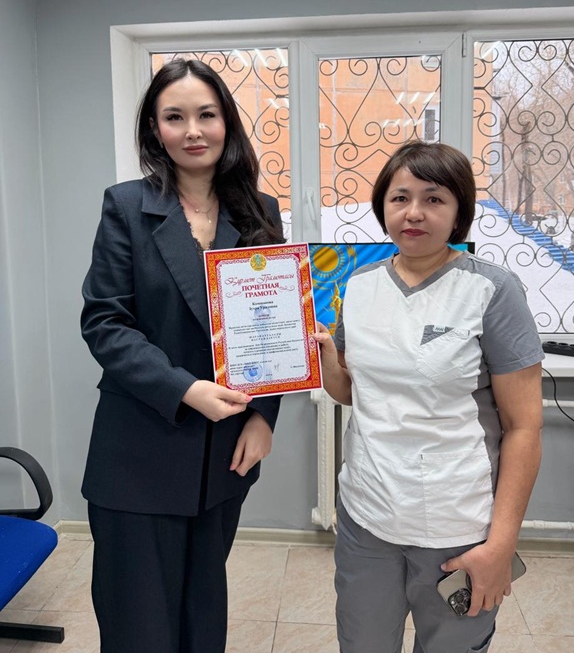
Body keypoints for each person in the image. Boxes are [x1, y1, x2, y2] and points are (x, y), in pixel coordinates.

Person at [81, 59, 285, 653]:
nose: (193, 130)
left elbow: (272, 326)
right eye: (175, 117)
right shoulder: (126, 206)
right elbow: (105, 323)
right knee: (140, 627)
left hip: (224, 456)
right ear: (155, 129)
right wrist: (185, 389)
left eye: (206, 115)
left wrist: (264, 417)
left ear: (227, 123)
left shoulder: (259, 210)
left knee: (202, 620)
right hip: (139, 452)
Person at [313, 141, 543, 653]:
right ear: (383, 207)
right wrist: (326, 358)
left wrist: (501, 543)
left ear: (459, 211)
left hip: (458, 524)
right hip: (368, 517)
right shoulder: (359, 284)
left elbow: (524, 427)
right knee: (363, 644)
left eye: (433, 199)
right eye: (400, 198)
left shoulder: (491, 291)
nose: (413, 213)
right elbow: (352, 390)